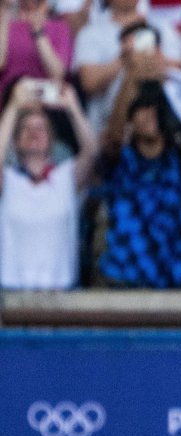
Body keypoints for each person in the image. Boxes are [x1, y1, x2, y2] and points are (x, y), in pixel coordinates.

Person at [98, 77, 181, 288]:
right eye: (142, 109)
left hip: (174, 276)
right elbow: (114, 136)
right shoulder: (119, 160)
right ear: (131, 118)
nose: (150, 115)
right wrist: (133, 72)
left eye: (157, 109)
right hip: (124, 275)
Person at [0, 79, 95, 290]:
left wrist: (73, 108)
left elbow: (92, 152)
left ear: (52, 141)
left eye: (41, 128)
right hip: (10, 301)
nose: (34, 133)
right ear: (15, 142)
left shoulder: (65, 177)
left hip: (60, 298)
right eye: (25, 129)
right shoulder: (8, 180)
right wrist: (13, 107)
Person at [74, 0, 181, 134]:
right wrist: (123, 58)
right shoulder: (91, 33)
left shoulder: (164, 29)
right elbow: (89, 84)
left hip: (160, 127)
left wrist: (156, 59)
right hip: (107, 129)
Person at [0, 0, 70, 99]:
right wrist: (5, 12)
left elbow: (58, 74)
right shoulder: (7, 23)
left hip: (44, 97)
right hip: (10, 96)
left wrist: (38, 31)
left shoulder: (59, 27)